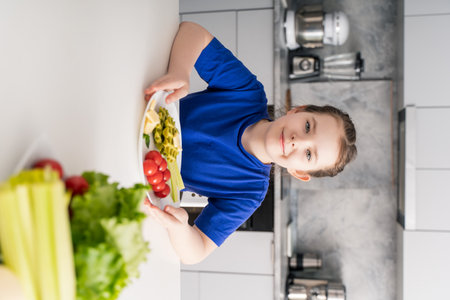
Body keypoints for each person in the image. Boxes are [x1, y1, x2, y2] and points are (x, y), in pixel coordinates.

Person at [144, 22, 357, 264]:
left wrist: (181, 228)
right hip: (140, 107)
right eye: (308, 126)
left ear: (299, 172)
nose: (299, 140)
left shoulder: (249, 192)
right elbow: (194, 33)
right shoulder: (247, 92)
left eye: (309, 155)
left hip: (140, 178)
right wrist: (180, 71)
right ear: (298, 110)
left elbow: (198, 250)